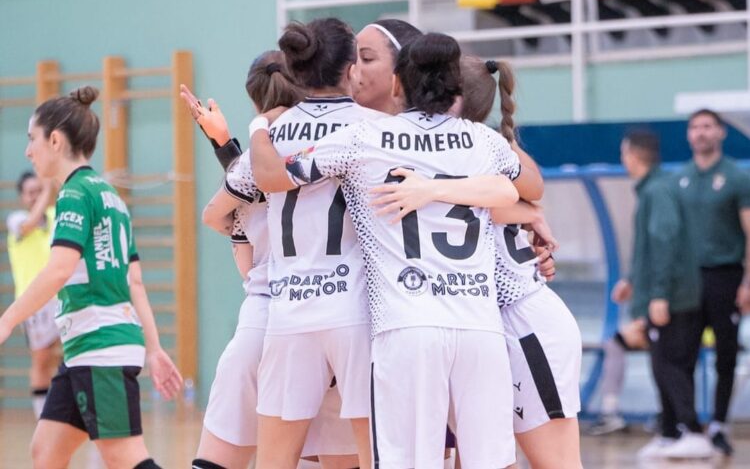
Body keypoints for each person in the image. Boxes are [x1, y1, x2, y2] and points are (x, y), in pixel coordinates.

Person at [251, 32, 539, 468]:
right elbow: (529, 188)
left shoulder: (363, 137)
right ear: (456, 88)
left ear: (397, 84)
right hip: (479, 328)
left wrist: (259, 126)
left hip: (407, 325)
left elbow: (272, 175)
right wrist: (462, 190)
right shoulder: (483, 141)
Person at [369, 56, 583, 469]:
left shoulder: (478, 155)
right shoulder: (468, 158)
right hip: (477, 325)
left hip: (522, 320)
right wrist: (531, 213)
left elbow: (516, 196)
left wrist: (530, 212)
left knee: (557, 463)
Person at [181, 51, 359, 469]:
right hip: (342, 310)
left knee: (223, 458)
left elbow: (218, 212)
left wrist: (226, 149)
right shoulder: (344, 141)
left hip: (271, 312)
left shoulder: (253, 162)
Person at [0, 86, 182, 469]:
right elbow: (135, 283)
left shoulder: (74, 194)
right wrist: (153, 348)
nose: (28, 151)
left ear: (54, 140)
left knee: (124, 457)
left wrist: (8, 319)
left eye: (32, 139)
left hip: (101, 347)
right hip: (85, 349)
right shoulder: (112, 198)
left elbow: (59, 269)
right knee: (46, 451)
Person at [616, 129, 710, 460]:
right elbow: (649, 247)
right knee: (661, 363)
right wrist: (632, 280)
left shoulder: (658, 191)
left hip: (674, 297)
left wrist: (659, 294)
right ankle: (670, 433)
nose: (623, 159)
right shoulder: (653, 190)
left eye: (624, 153)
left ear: (633, 155)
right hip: (666, 294)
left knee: (671, 365)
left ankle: (693, 431)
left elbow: (664, 241)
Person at [675, 108, 750, 456]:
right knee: (684, 352)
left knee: (725, 355)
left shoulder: (736, 177)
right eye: (695, 127)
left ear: (720, 132)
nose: (701, 132)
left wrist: (747, 282)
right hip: (688, 279)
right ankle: (688, 426)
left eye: (707, 126)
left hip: (725, 275)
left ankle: (719, 423)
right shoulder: (681, 178)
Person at [6, 171, 61, 417]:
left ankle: (70, 414)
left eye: (39, 190)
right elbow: (30, 224)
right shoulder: (17, 219)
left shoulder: (55, 216)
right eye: (31, 192)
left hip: (60, 298)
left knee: (73, 355)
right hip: (33, 302)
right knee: (41, 359)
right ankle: (42, 417)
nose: (36, 196)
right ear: (22, 197)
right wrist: (48, 189)